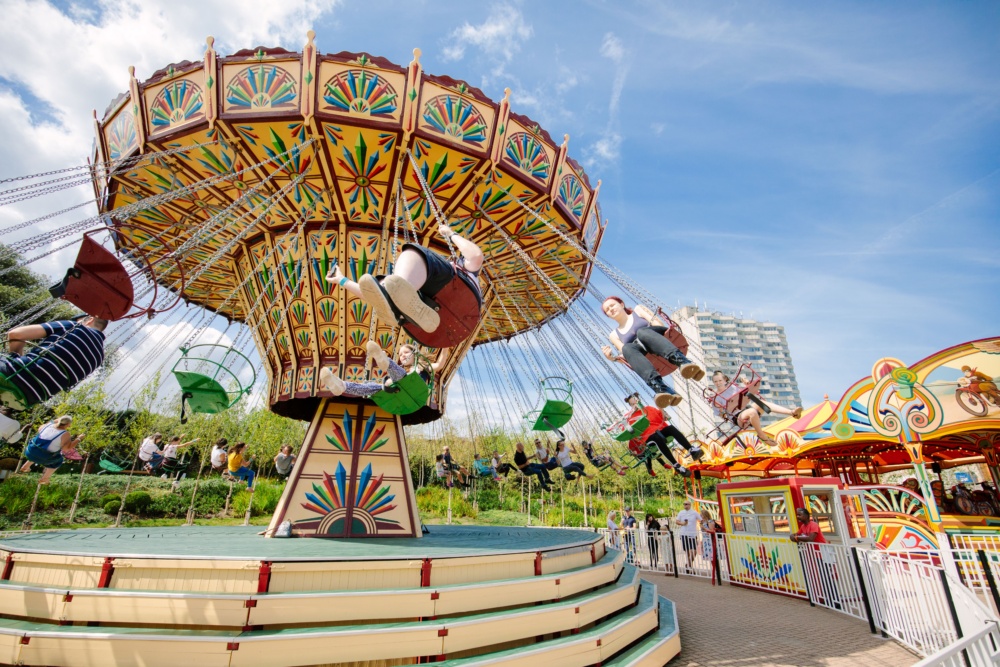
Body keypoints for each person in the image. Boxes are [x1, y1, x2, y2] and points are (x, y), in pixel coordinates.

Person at [328, 222, 484, 333]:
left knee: (413, 253)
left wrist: (451, 234)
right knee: (383, 287)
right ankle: (398, 306)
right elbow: (371, 295)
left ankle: (397, 306)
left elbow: (476, 256)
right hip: (443, 322)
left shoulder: (465, 269)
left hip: (456, 293)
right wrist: (341, 280)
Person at [600, 297, 704, 409]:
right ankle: (660, 388)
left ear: (621, 304)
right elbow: (626, 355)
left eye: (612, 305)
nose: (611, 309)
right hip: (646, 356)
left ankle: (682, 361)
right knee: (627, 348)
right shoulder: (614, 335)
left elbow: (657, 323)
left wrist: (645, 339)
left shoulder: (638, 310)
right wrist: (612, 358)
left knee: (642, 332)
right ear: (608, 316)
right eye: (607, 310)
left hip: (658, 339)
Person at [0, 315, 109, 413]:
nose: (76, 321)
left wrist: (14, 356)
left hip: (14, 374)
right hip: (31, 397)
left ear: (90, 319)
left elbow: (16, 334)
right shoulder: (99, 357)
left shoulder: (74, 326)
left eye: (78, 320)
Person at [320, 341, 445, 399]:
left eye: (406, 352)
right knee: (372, 387)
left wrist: (446, 347)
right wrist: (388, 383)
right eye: (400, 355)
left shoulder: (421, 367)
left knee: (399, 375)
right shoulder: (404, 370)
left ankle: (384, 360)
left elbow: (439, 365)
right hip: (400, 391)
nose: (402, 356)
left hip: (414, 389)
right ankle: (341, 386)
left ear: (415, 353)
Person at [710, 371, 802, 446]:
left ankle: (792, 412)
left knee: (761, 403)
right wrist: (722, 411)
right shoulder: (716, 398)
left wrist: (747, 384)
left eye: (720, 380)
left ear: (725, 380)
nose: (718, 383)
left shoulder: (733, 388)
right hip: (737, 417)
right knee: (752, 411)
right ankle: (762, 435)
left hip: (745, 408)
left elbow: (745, 394)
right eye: (715, 382)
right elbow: (723, 416)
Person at [626, 392, 703, 461]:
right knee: (656, 437)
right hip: (648, 437)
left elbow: (663, 417)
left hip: (659, 431)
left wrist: (660, 407)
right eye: (633, 404)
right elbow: (632, 432)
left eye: (636, 402)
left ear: (639, 401)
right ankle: (675, 464)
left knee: (671, 428)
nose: (635, 405)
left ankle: (691, 449)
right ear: (631, 406)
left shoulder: (649, 409)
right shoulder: (631, 418)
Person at [18, 415, 83, 484]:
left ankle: (25, 466)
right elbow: (66, 449)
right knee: (59, 460)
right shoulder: (65, 434)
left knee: (39, 448)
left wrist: (55, 420)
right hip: (44, 458)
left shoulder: (46, 426)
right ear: (68, 425)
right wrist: (79, 439)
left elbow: (43, 427)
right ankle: (45, 478)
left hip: (29, 452)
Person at [675, 500, 701, 570]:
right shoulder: (681, 512)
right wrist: (682, 523)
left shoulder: (694, 512)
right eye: (684, 504)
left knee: (694, 551)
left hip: (692, 534)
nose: (685, 505)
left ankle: (688, 564)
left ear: (690, 505)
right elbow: (677, 521)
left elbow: (700, 520)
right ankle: (690, 566)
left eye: (686, 504)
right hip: (684, 533)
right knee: (688, 551)